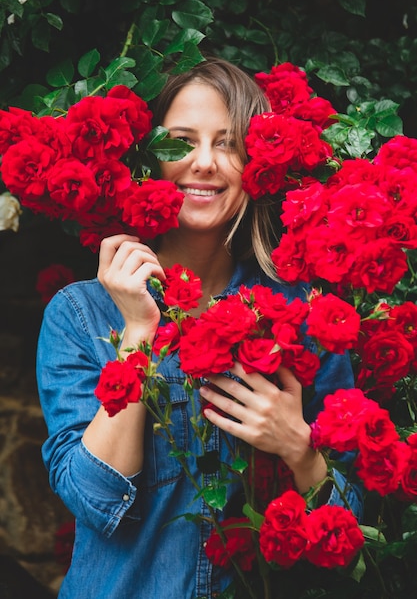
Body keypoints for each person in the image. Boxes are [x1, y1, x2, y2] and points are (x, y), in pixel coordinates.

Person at [37, 57, 362, 599]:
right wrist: (139, 331)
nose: (204, 163)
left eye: (227, 143)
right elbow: (96, 502)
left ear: (255, 164)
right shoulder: (80, 315)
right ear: (149, 157)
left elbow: (351, 530)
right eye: (181, 140)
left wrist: (298, 448)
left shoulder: (302, 312)